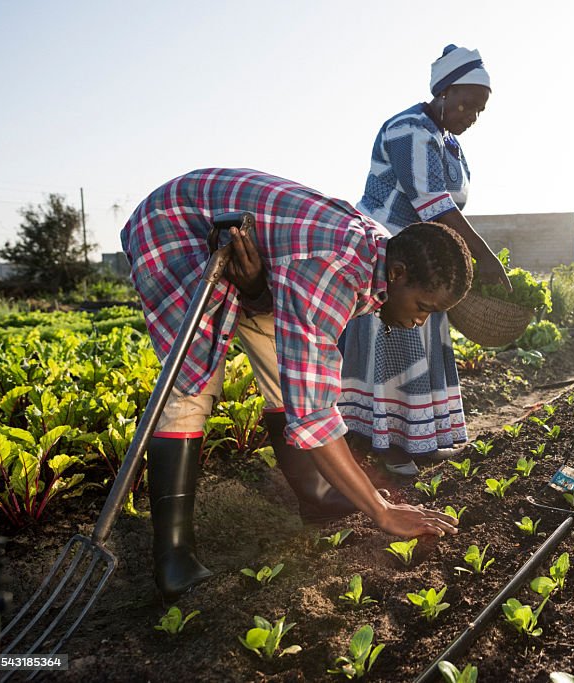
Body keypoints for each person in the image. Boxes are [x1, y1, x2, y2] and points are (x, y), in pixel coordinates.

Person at [120, 168, 464, 600]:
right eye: (423, 306)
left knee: (287, 377)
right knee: (191, 383)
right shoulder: (332, 270)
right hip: (174, 227)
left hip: (256, 255)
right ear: (396, 274)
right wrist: (382, 510)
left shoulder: (381, 253)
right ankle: (172, 558)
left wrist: (256, 287)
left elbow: (303, 376)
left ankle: (316, 496)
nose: (420, 321)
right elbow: (316, 413)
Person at [339, 44, 511, 476]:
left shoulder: (447, 141)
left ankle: (420, 440)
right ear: (444, 92)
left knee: (421, 344)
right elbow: (433, 202)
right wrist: (483, 256)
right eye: (466, 103)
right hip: (389, 255)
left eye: (480, 110)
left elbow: (446, 208)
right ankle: (386, 445)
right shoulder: (408, 129)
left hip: (427, 258)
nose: (471, 114)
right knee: (393, 344)